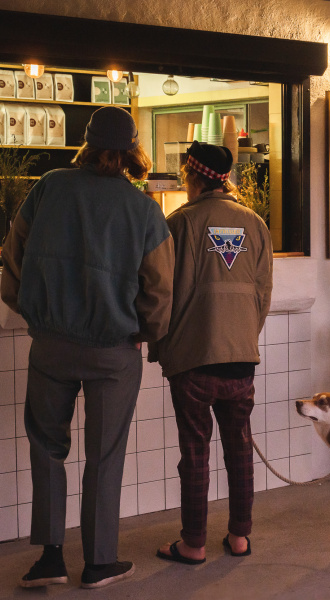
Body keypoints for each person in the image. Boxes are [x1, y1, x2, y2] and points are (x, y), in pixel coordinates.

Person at [1, 106, 174, 589]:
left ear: (86, 143)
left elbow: (12, 257)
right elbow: (160, 290)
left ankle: (50, 558)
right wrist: (145, 332)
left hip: (51, 345)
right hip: (114, 352)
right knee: (105, 455)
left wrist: (33, 310)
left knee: (46, 447)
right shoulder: (144, 210)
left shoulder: (48, 187)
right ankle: (98, 563)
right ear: (133, 151)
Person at [153, 142, 273, 564]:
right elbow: (263, 294)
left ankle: (194, 543)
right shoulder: (256, 224)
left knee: (195, 453)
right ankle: (240, 536)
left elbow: (161, 293)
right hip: (241, 358)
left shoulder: (179, 223)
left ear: (194, 177)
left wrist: (161, 347)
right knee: (239, 448)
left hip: (193, 359)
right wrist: (243, 337)